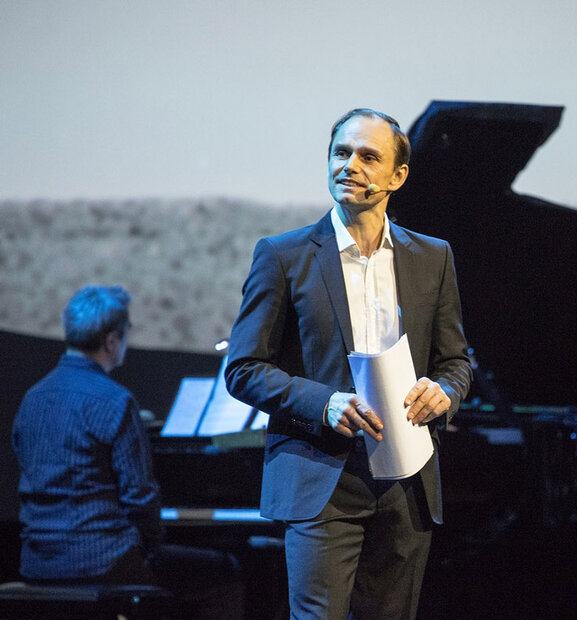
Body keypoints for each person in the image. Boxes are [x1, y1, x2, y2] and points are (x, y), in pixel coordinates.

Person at [225, 108, 472, 619]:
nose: (350, 166)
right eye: (341, 153)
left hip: (406, 480)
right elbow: (243, 368)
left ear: (397, 176)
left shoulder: (433, 257)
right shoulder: (283, 255)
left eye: (368, 156)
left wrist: (445, 392)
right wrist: (325, 403)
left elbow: (455, 360)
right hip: (321, 476)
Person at [12, 285, 244, 619]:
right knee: (225, 570)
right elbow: (140, 497)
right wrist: (149, 546)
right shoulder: (115, 401)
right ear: (111, 341)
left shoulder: (32, 397)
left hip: (37, 561)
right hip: (104, 562)